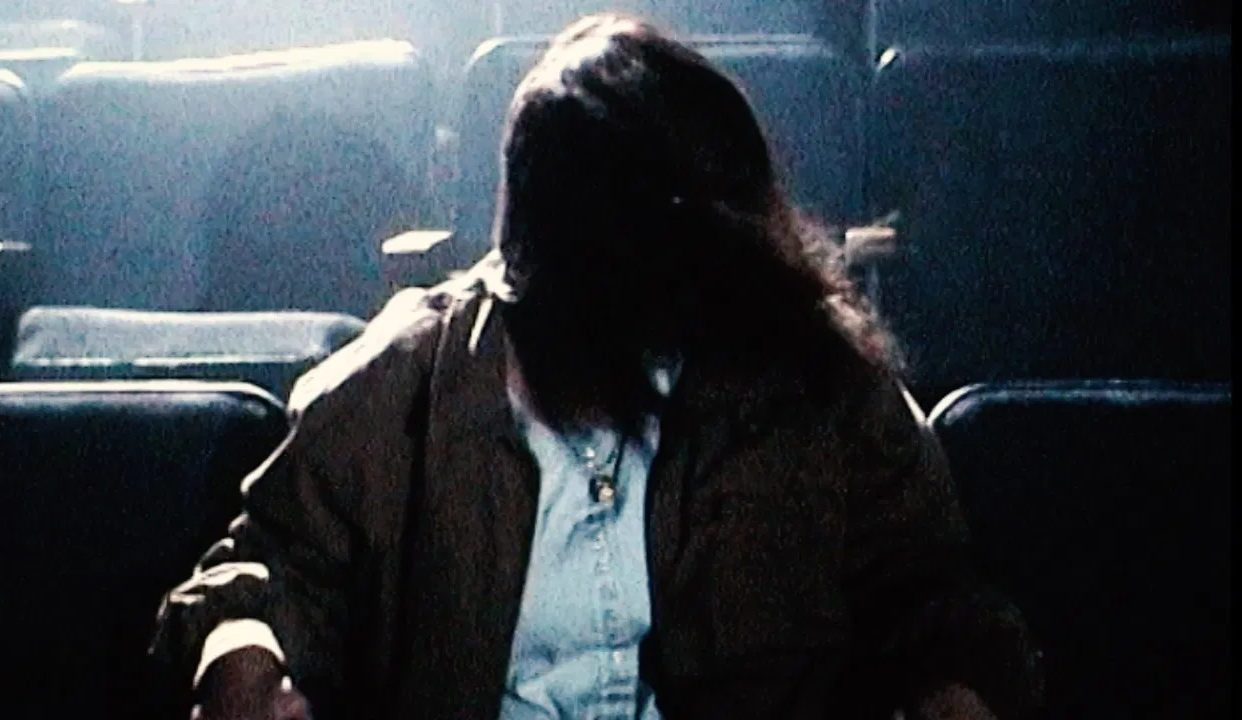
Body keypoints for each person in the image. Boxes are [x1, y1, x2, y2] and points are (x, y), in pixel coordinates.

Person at [151, 14, 1043, 720]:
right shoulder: (402, 386)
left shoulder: (812, 382)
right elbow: (267, 571)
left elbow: (933, 594)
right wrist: (240, 651)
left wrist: (957, 687)